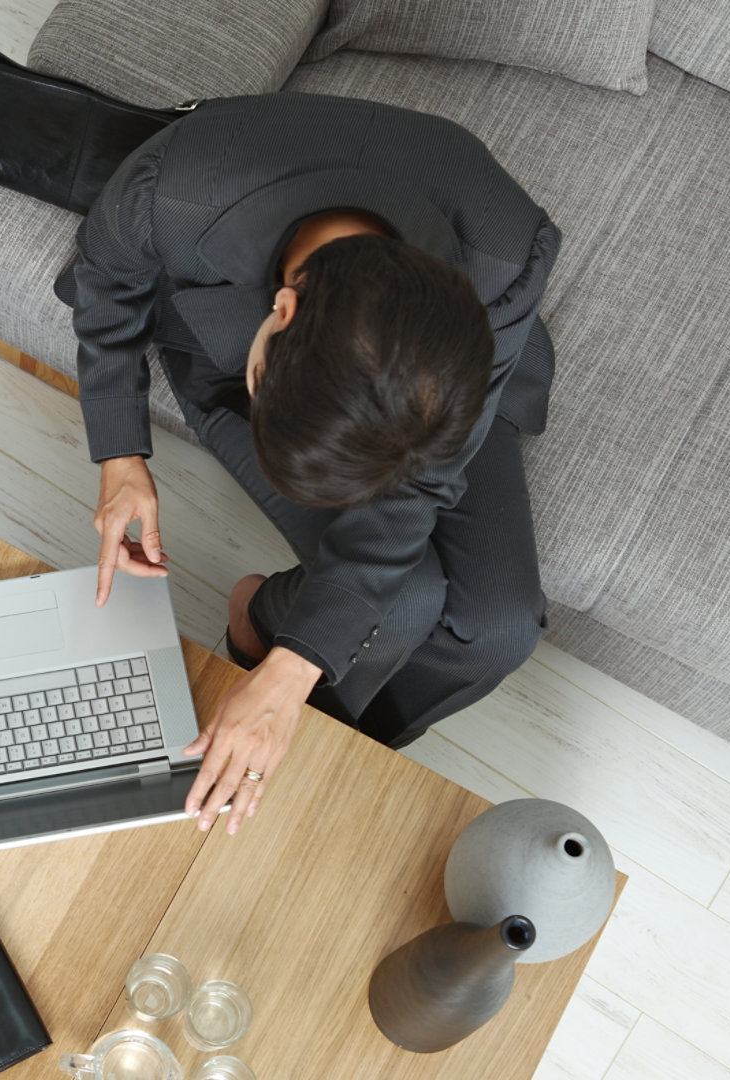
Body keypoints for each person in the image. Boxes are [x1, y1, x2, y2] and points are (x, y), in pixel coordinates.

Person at [59, 93, 560, 840]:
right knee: (400, 600)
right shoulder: (178, 186)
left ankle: (320, 723)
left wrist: (292, 674)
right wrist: (120, 454)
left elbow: (422, 478)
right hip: (231, 352)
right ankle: (264, 638)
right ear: (283, 311)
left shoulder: (506, 253)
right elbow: (105, 284)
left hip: (438, 384)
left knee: (502, 629)